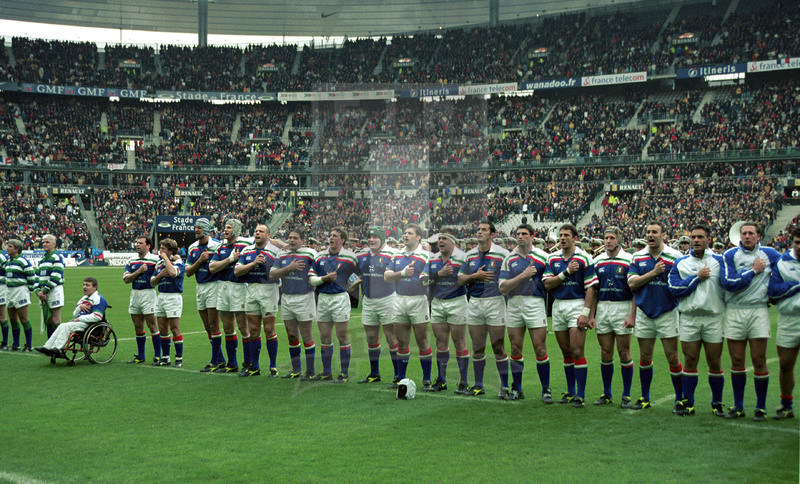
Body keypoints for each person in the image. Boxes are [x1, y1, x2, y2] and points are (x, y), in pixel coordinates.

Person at [720, 221, 781, 421]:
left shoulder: (770, 254)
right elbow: (729, 283)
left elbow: (784, 271)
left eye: (751, 233)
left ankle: (760, 407)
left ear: (758, 236)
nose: (746, 236)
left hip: (758, 311)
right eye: (744, 233)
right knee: (737, 360)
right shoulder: (729, 255)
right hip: (735, 311)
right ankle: (738, 406)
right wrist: (754, 271)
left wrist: (774, 293)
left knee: (759, 360)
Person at [668, 224, 726, 416]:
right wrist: (696, 277)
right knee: (690, 360)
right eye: (693, 237)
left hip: (714, 317)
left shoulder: (720, 261)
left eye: (700, 237)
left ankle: (717, 403)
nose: (696, 240)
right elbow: (674, 289)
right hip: (690, 318)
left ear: (708, 240)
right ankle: (688, 402)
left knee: (714, 361)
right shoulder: (681, 262)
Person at [627, 221, 684, 412]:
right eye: (648, 232)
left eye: (655, 232)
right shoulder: (637, 256)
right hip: (644, 312)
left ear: (663, 234)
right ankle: (645, 397)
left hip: (667, 312)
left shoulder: (675, 256)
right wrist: (653, 273)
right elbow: (632, 284)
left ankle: (680, 398)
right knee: (644, 356)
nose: (650, 235)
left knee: (672, 356)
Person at [542, 224, 598, 408]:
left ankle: (580, 395)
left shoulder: (585, 257)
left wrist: (586, 313)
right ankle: (570, 391)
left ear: (575, 238)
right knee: (565, 352)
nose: (563, 238)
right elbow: (548, 285)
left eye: (567, 235)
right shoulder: (552, 258)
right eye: (561, 235)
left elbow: (591, 287)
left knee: (577, 350)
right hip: (558, 306)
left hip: (577, 304)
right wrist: (566, 273)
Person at [458, 221, 511, 398]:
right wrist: (475, 276)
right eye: (478, 230)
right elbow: (460, 279)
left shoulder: (503, 254)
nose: (480, 232)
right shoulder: (470, 255)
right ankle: (478, 385)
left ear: (492, 234)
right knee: (477, 346)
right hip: (474, 302)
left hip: (494, 301)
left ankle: (504, 387)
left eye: (484, 230)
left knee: (498, 346)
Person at [499, 223, 552, 402]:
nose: (520, 236)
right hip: (514, 303)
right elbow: (502, 287)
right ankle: (517, 389)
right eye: (518, 234)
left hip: (535, 302)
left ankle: (546, 389)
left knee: (539, 347)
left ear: (532, 236)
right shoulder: (509, 258)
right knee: (515, 347)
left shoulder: (543, 256)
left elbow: (550, 281)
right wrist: (523, 275)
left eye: (524, 234)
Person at [589, 227, 636, 408]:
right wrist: (592, 315)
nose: (608, 241)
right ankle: (607, 393)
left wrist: (632, 315)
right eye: (606, 238)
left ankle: (626, 394)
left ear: (619, 240)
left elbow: (634, 291)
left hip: (622, 307)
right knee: (605, 352)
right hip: (603, 308)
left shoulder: (629, 259)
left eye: (612, 238)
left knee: (624, 352)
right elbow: (593, 290)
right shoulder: (597, 260)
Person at [384, 224, 432, 389]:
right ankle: (401, 379)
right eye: (404, 233)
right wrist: (402, 274)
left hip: (418, 300)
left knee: (422, 341)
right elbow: (387, 276)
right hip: (399, 299)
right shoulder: (397, 255)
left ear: (418, 237)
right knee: (402, 342)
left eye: (410, 233)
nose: (406, 236)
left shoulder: (426, 255)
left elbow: (428, 278)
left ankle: (426, 379)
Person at [309, 227, 358, 382]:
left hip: (339, 299)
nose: (331, 237)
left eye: (335, 236)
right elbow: (311, 278)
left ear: (342, 240)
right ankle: (326, 372)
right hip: (323, 298)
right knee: (324, 337)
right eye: (330, 235)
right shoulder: (320, 256)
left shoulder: (350, 257)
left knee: (342, 336)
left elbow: (361, 275)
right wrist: (324, 279)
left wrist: (353, 282)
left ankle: (344, 373)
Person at [271, 228, 318, 380]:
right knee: (291, 335)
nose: (291, 240)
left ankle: (310, 371)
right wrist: (289, 268)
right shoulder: (282, 255)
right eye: (290, 238)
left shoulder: (310, 254)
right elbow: (272, 274)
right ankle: (296, 369)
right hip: (286, 297)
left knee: (306, 336)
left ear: (302, 240)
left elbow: (318, 270)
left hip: (304, 297)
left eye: (295, 238)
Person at [234, 224, 280, 377]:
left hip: (268, 289)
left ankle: (273, 366)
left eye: (261, 231)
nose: (257, 233)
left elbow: (280, 271)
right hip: (251, 289)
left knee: (269, 329)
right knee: (253, 330)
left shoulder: (275, 251)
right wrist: (253, 263)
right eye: (256, 231)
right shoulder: (247, 251)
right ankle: (255, 366)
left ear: (268, 235)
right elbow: (237, 271)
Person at [354, 227, 398, 385]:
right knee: (371, 338)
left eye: (375, 237)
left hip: (387, 299)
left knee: (391, 338)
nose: (371, 240)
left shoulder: (392, 253)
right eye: (369, 237)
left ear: (382, 239)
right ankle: (374, 373)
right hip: (369, 300)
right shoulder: (362, 255)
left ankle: (398, 375)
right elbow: (355, 271)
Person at [209, 219, 253, 373]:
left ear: (236, 229)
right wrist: (230, 260)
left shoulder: (245, 244)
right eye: (225, 227)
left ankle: (248, 363)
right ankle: (232, 364)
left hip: (239, 287)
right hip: (222, 287)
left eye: (229, 227)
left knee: (243, 327)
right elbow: (212, 267)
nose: (225, 230)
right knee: (227, 327)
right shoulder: (221, 246)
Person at [429, 228, 469, 393]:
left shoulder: (463, 258)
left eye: (444, 238)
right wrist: (440, 273)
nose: (440, 242)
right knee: (440, 343)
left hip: (456, 301)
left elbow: (469, 279)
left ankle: (464, 381)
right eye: (439, 239)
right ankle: (442, 380)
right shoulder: (433, 258)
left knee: (459, 342)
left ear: (453, 241)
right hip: (438, 302)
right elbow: (425, 280)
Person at [768, 226, 800, 420]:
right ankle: (786, 405)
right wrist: (796, 285)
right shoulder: (783, 261)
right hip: (789, 319)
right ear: (792, 242)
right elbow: (773, 290)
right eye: (798, 242)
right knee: (786, 364)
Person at [186, 218, 224, 372]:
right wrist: (200, 261)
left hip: (214, 286)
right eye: (195, 228)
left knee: (214, 325)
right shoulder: (192, 248)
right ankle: (220, 359)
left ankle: (214, 362)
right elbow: (188, 272)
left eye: (199, 228)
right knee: (207, 327)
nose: (196, 230)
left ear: (207, 230)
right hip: (200, 287)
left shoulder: (217, 245)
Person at [34, 277, 108, 357]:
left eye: (87, 285)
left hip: (89, 324)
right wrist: (80, 307)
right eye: (83, 285)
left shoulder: (99, 299)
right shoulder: (83, 299)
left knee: (67, 326)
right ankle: (47, 347)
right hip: (79, 322)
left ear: (95, 287)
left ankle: (57, 348)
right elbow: (74, 315)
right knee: (61, 325)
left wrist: (80, 318)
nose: (84, 287)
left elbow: (97, 317)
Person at [122, 236, 160, 364]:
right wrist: (139, 272)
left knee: (152, 325)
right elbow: (126, 279)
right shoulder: (131, 260)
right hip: (135, 294)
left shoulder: (155, 259)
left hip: (148, 294)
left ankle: (158, 356)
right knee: (138, 326)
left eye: (141, 243)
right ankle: (141, 356)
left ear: (148, 246)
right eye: (137, 243)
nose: (138, 245)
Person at [150, 238, 185, 367]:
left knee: (175, 328)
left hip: (173, 297)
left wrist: (166, 259)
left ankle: (179, 358)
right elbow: (152, 282)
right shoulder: (159, 264)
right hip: (161, 296)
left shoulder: (179, 262)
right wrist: (159, 276)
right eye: (160, 248)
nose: (160, 250)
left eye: (164, 248)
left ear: (171, 251)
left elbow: (172, 273)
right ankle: (165, 357)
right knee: (163, 328)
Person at [3, 239, 37, 351]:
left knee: (24, 318)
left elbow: (31, 277)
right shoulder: (8, 262)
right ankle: (16, 344)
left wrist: (29, 291)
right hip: (9, 291)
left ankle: (28, 345)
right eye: (8, 246)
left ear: (17, 249)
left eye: (10, 246)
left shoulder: (23, 261)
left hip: (20, 291)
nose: (7, 248)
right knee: (12, 319)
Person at [33, 234, 66, 338]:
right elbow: (36, 277)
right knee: (48, 320)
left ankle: (57, 344)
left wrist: (44, 291)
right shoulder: (42, 260)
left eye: (47, 242)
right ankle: (50, 344)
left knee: (55, 318)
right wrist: (38, 292)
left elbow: (56, 276)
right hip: (44, 293)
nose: (44, 244)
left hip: (54, 291)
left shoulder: (57, 258)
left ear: (54, 244)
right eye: (43, 242)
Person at [0, 250, 8, 350]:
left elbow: (8, 274)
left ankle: (5, 342)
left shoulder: (2, 257)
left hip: (1, 289)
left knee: (2, 315)